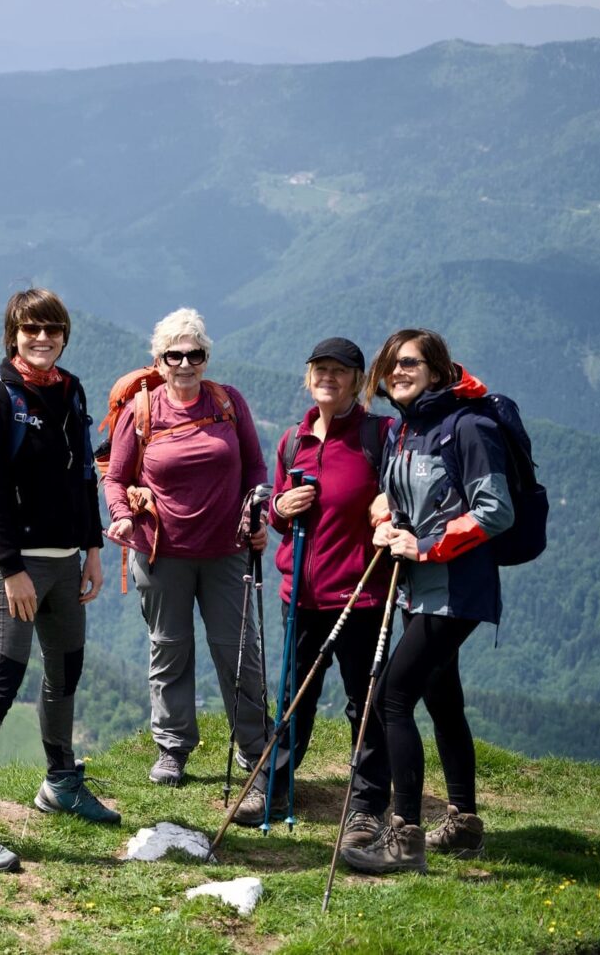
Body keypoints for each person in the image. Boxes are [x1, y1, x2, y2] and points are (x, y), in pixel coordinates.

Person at [0, 288, 116, 873]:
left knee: (65, 672)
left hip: (67, 560)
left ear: (65, 334)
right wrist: (13, 567)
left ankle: (60, 783)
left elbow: (80, 479)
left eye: (52, 329)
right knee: (0, 683)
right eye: (31, 330)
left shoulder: (70, 390)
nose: (42, 339)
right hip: (13, 567)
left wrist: (93, 549)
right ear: (12, 335)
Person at [341, 329, 508, 874]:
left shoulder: (470, 426)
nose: (398, 371)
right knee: (442, 699)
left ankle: (404, 839)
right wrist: (386, 519)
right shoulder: (408, 430)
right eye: (391, 364)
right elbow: (400, 494)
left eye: (410, 363)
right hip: (420, 588)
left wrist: (428, 547)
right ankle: (463, 825)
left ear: (437, 369)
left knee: (392, 696)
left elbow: (495, 510)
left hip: (456, 589)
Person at [104, 307, 268, 792]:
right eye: (174, 354)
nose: (184, 362)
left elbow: (256, 469)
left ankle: (254, 748)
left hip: (227, 550)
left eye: (194, 353)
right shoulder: (142, 410)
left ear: (205, 356)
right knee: (170, 650)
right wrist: (122, 517)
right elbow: (115, 478)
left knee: (239, 651)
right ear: (158, 360)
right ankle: (173, 749)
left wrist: (259, 510)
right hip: (160, 553)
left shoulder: (227, 402)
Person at [236, 337, 394, 834]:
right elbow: (280, 509)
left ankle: (367, 806)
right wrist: (279, 509)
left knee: (363, 700)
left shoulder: (379, 435)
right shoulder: (292, 441)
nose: (328, 377)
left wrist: (388, 503)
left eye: (339, 371)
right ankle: (276, 786)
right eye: (319, 369)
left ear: (357, 380)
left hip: (361, 595)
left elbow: (408, 486)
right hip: (300, 595)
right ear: (308, 377)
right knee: (292, 696)